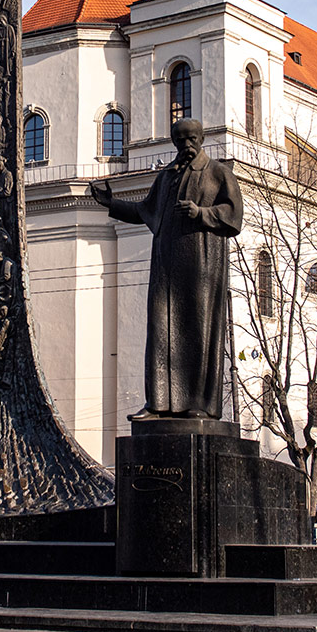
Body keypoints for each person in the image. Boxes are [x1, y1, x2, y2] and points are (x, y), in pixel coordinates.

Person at [90, 117, 243, 419]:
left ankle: (199, 405)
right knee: (160, 330)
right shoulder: (166, 178)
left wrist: (202, 213)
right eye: (180, 140)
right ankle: (157, 404)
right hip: (166, 266)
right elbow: (145, 211)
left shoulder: (217, 173)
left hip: (201, 265)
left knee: (198, 330)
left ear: (201, 139)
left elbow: (233, 215)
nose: (186, 145)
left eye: (191, 139)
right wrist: (112, 203)